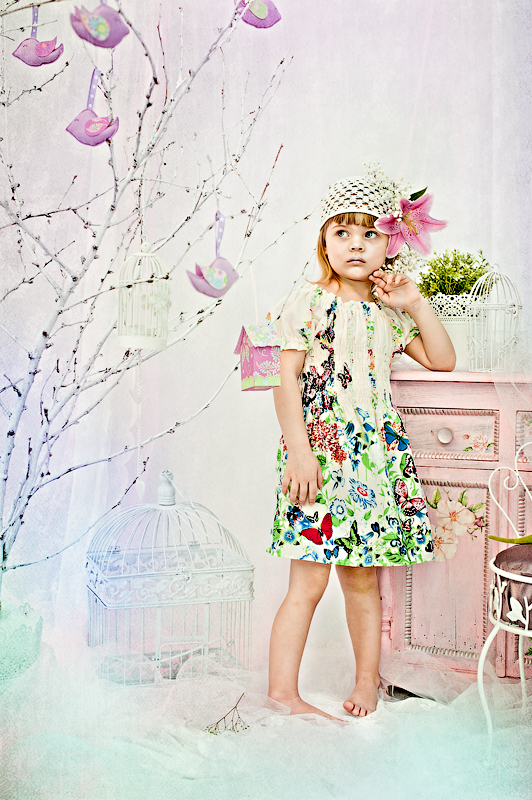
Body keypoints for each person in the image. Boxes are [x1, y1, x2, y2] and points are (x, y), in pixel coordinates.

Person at [266, 166, 455, 720]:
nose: (355, 244)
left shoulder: (386, 311)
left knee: (362, 580)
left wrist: (415, 303)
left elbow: (442, 360)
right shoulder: (307, 301)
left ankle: (367, 682)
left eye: (370, 233)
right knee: (307, 580)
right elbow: (284, 379)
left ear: (388, 244)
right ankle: (282, 693)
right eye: (342, 232)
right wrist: (300, 453)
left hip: (373, 460)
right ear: (324, 241)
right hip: (318, 455)